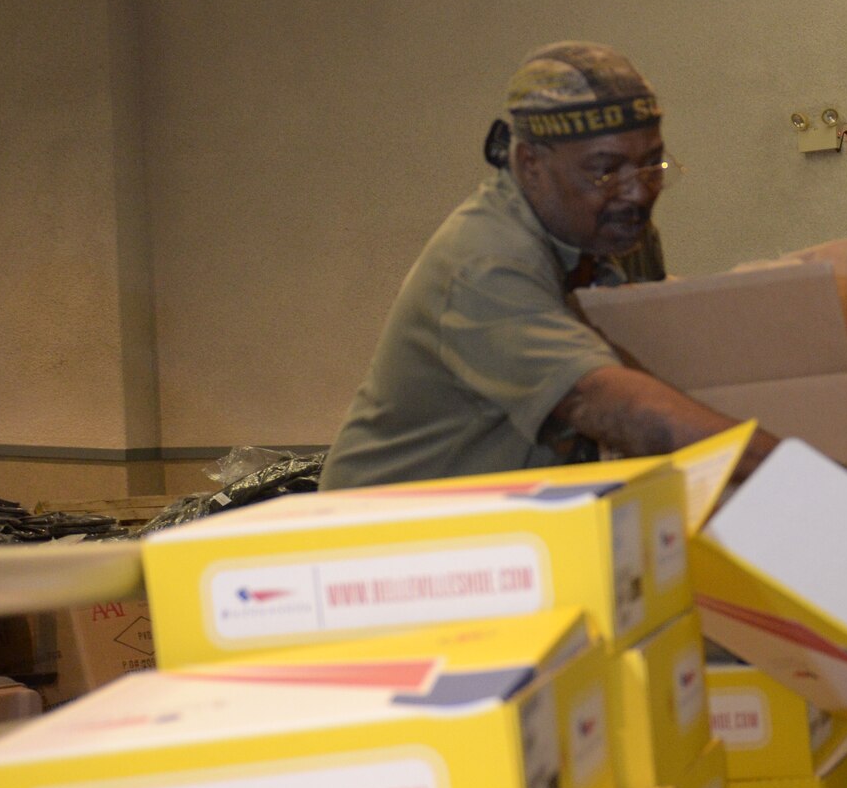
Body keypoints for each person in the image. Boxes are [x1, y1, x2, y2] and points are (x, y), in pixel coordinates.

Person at [321, 41, 774, 489]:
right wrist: (792, 472)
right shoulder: (483, 264)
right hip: (384, 537)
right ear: (529, 163)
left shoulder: (611, 232)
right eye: (605, 170)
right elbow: (603, 400)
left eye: (650, 164)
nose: (637, 192)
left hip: (507, 521)